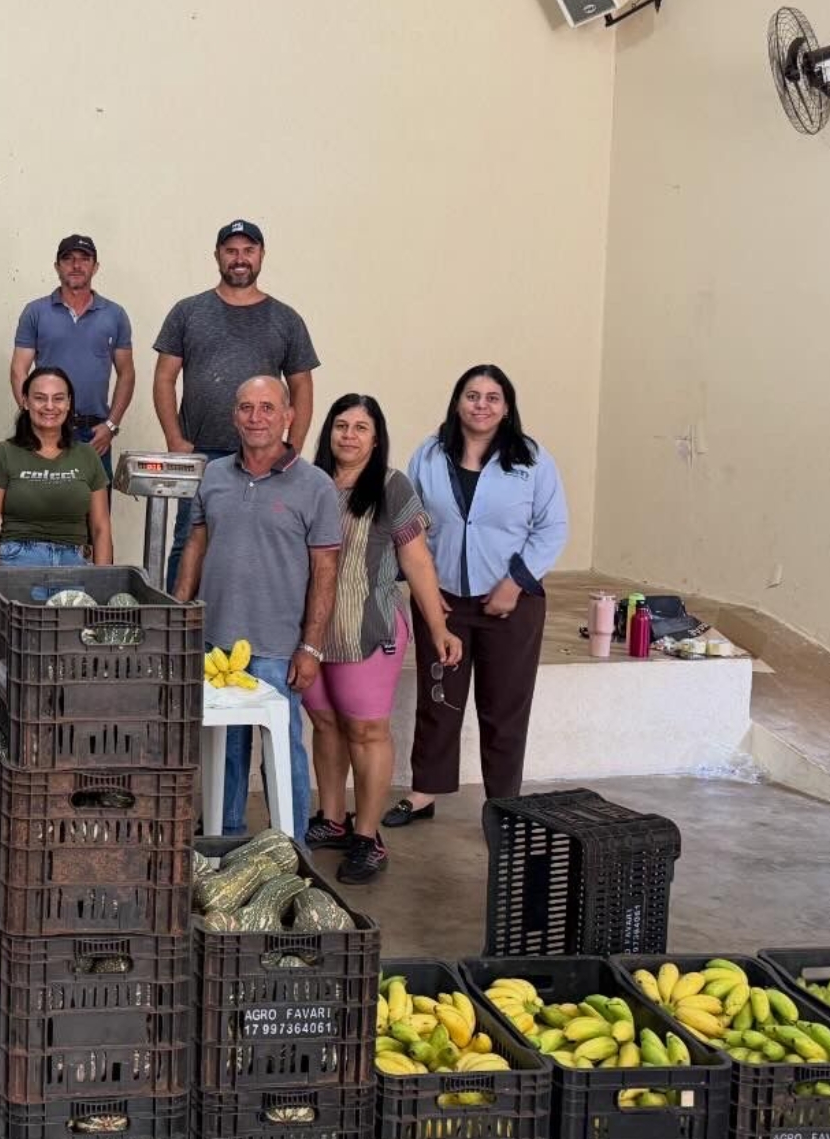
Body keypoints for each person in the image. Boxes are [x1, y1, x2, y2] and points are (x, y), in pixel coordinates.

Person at [390, 364, 569, 826]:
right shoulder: (429, 455)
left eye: (493, 397)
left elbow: (553, 527)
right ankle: (426, 790)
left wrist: (515, 582)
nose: (481, 405)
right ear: (457, 402)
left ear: (507, 407)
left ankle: (504, 804)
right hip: (444, 601)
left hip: (511, 603)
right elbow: (412, 524)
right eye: (473, 395)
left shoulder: (531, 459)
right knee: (439, 698)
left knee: (504, 705)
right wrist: (426, 587)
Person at [301, 394, 463, 884]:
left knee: (366, 731)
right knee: (325, 723)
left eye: (361, 428)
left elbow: (416, 562)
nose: (348, 435)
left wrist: (438, 626)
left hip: (367, 630)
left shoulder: (392, 487)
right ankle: (332, 818)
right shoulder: (312, 484)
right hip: (313, 632)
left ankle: (368, 837)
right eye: (341, 425)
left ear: (376, 437)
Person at [175, 376, 341, 838]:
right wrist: (179, 614)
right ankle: (223, 843)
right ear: (234, 417)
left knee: (281, 750)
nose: (256, 417)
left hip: (276, 647)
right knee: (224, 750)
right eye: (246, 408)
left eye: (267, 408)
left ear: (288, 416)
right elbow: (196, 544)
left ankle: (292, 850)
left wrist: (311, 646)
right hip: (214, 643)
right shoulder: (214, 475)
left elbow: (326, 573)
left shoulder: (316, 487)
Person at [152, 219, 319, 589]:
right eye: (231, 251)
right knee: (188, 541)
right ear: (217, 256)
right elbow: (164, 377)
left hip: (264, 457)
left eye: (248, 251)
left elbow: (302, 388)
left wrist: (292, 448)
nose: (239, 259)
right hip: (202, 455)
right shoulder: (188, 312)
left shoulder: (286, 319)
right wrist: (176, 441)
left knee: (256, 545)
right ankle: (178, 630)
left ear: (261, 256)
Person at [10, 235, 134, 471]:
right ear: (57, 267)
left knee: (96, 506)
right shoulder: (35, 312)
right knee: (44, 504)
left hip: (95, 434)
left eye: (84, 259)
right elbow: (18, 369)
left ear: (95, 267)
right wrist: (32, 419)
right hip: (46, 428)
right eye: (68, 259)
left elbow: (127, 373)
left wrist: (111, 425)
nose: (76, 265)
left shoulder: (115, 315)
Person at [0, 367, 113, 568]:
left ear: (69, 403)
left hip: (75, 564)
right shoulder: (3, 453)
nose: (49, 406)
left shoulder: (87, 455)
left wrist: (103, 581)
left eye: (58, 398)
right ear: (25, 401)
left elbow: (101, 528)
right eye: (40, 398)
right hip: (17, 563)